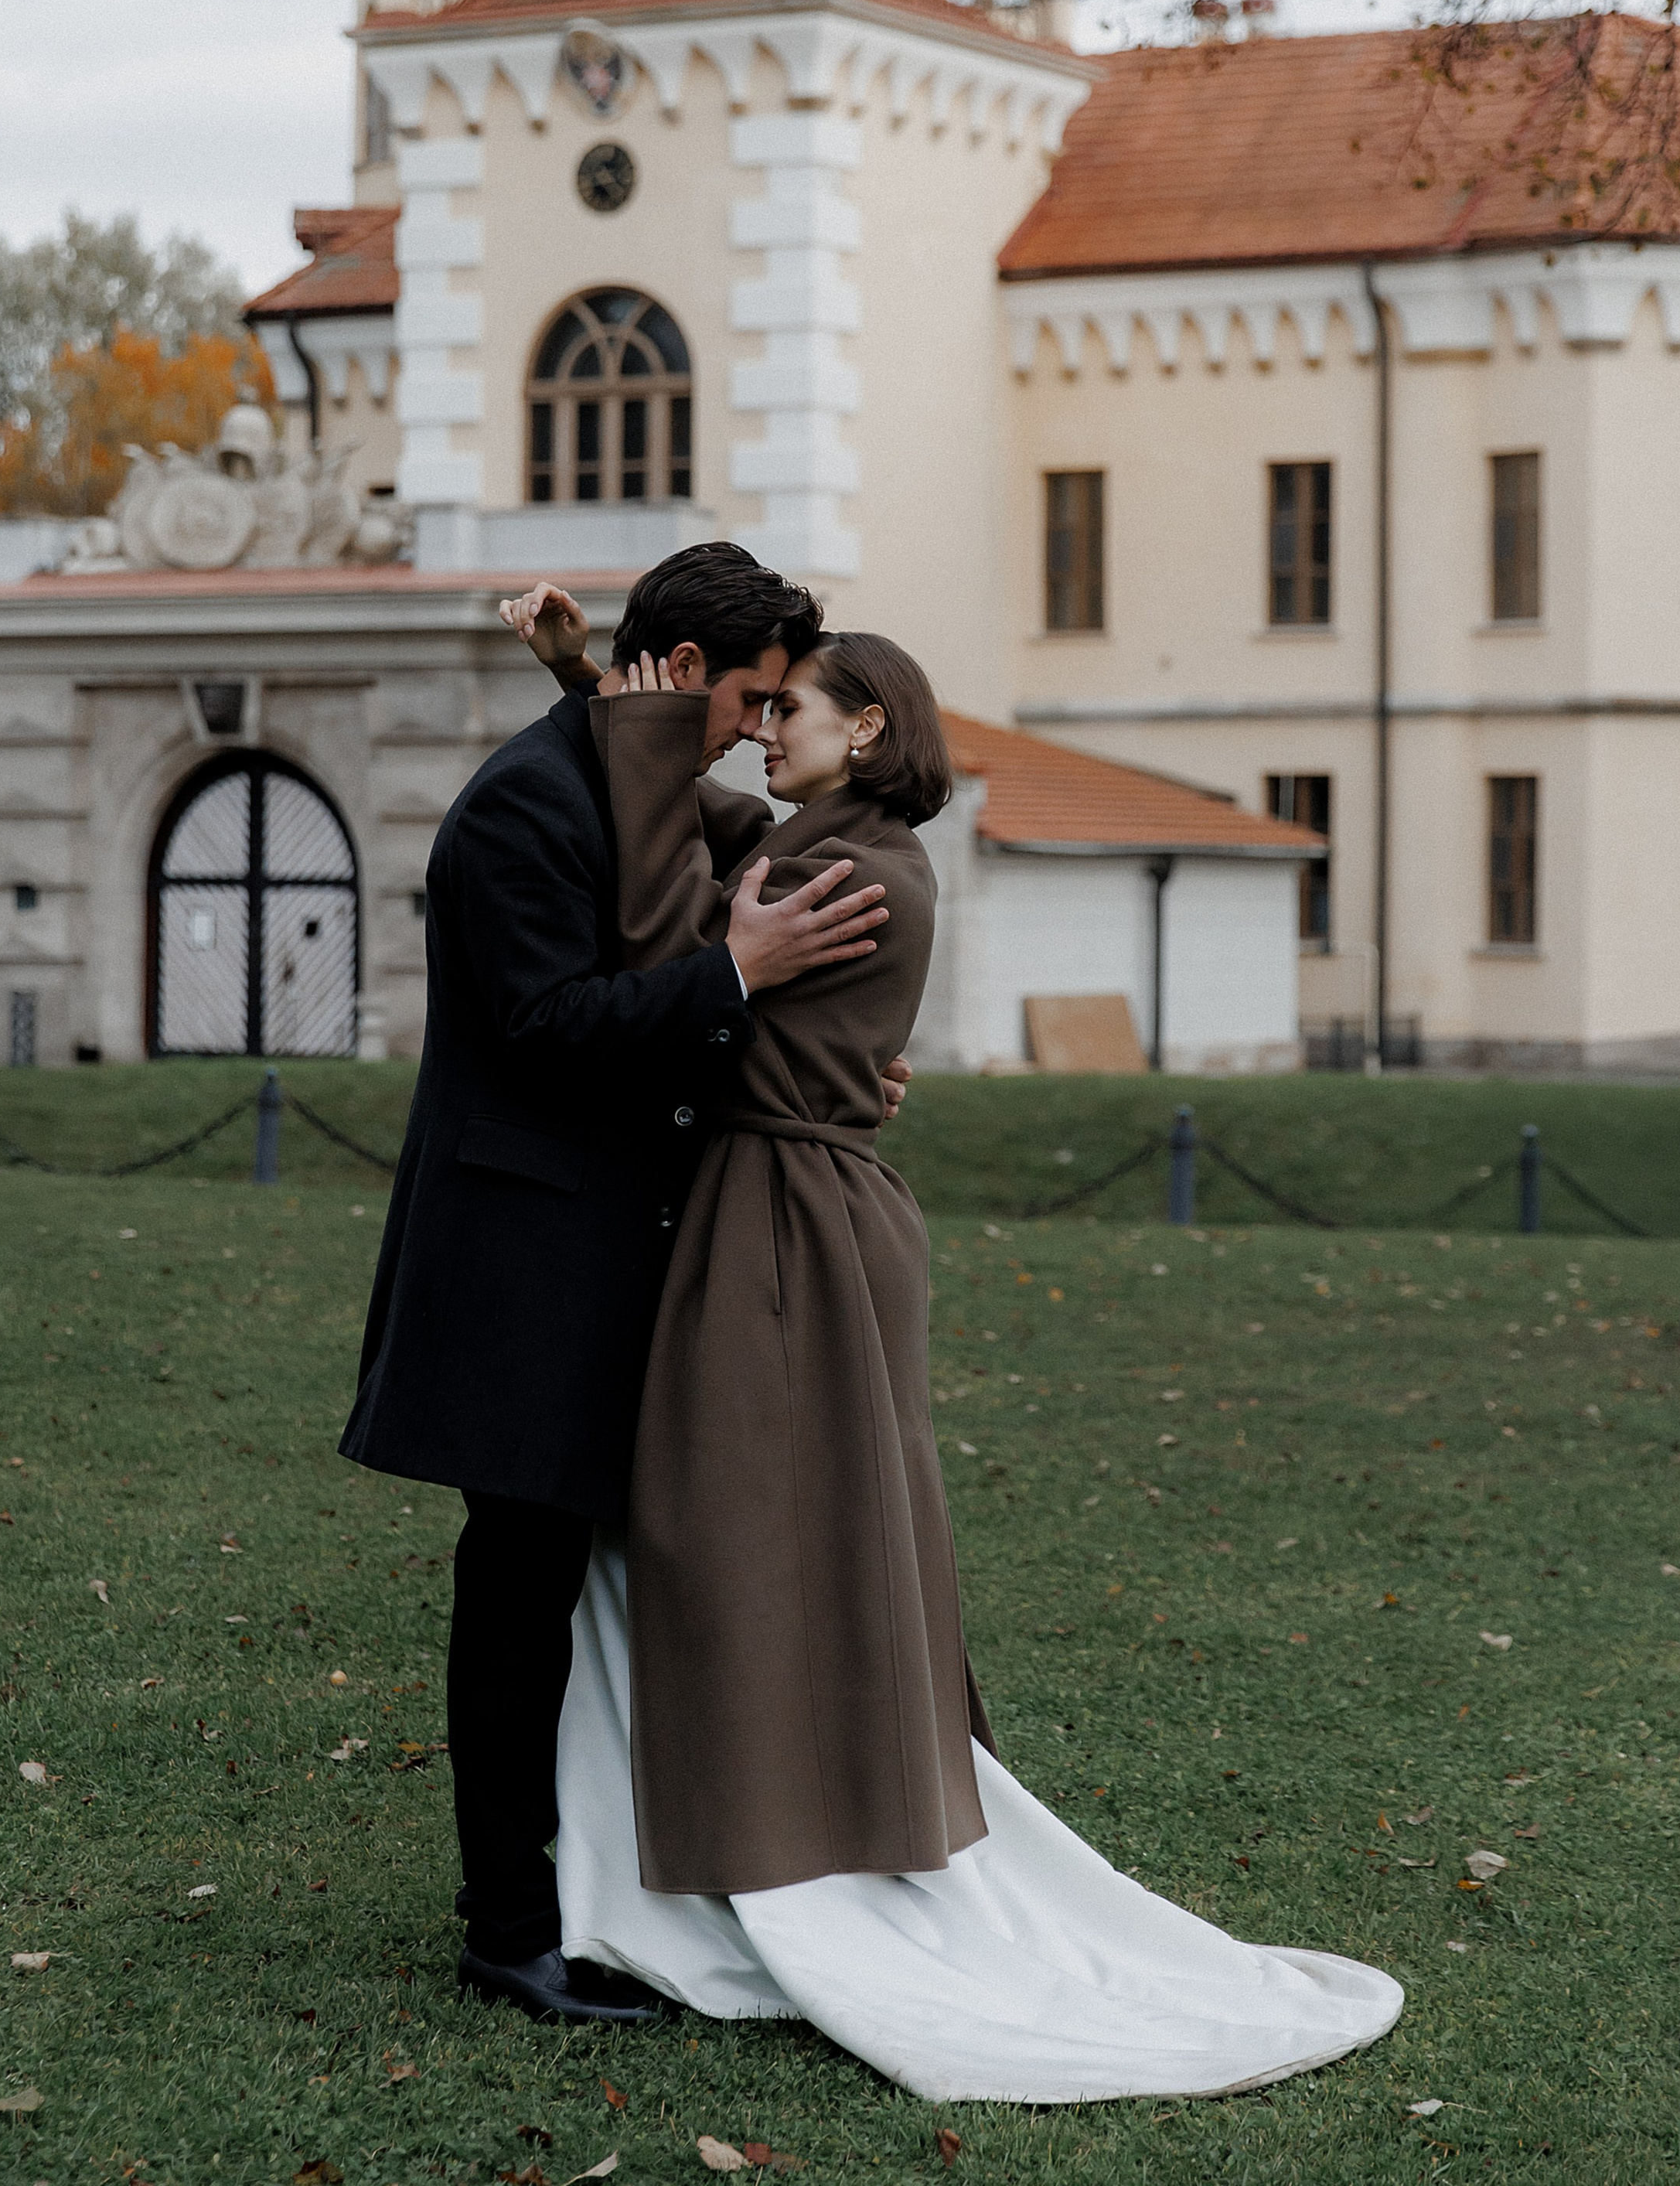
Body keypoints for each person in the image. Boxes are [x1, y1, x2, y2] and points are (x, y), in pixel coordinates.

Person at [510, 614, 1406, 2104]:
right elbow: (715, 820)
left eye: (786, 706)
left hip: (786, 1231)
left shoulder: (848, 871)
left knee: (742, 1535)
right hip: (793, 1210)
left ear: (865, 727)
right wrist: (599, 696)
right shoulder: (841, 843)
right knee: (737, 1532)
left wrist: (649, 775)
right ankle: (727, 1832)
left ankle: (775, 1852)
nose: (762, 727)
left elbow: (673, 921)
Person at [339, 541, 907, 2025]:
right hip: (522, 1273)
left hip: (628, 1264)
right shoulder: (518, 806)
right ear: (687, 671)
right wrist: (736, 976)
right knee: (518, 1591)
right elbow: (549, 1028)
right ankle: (511, 1932)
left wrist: (813, 1057)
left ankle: (614, 1899)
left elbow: (684, 854)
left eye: (780, 703)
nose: (757, 727)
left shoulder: (637, 772)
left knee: (588, 1596)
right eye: (750, 696)